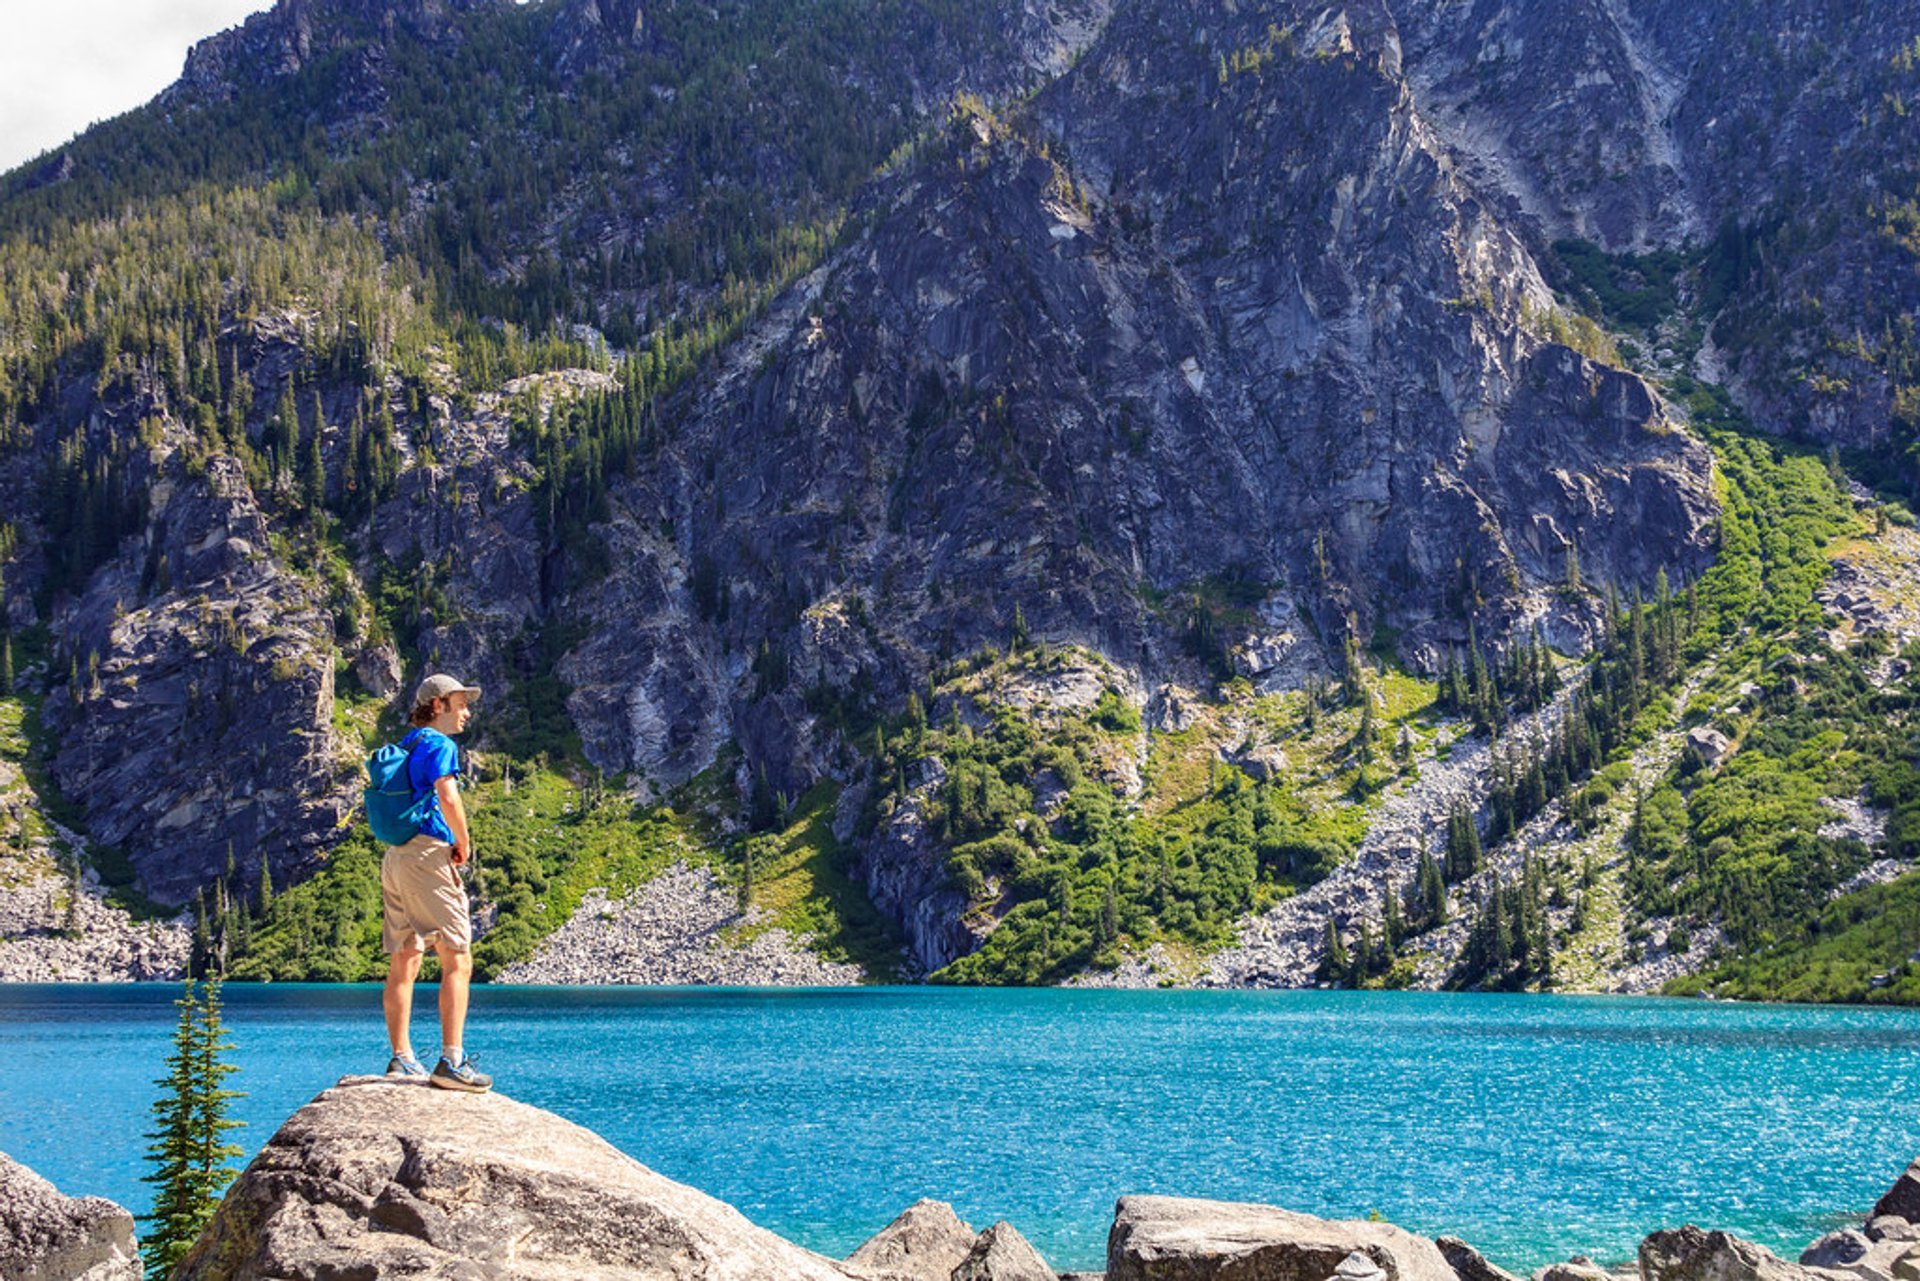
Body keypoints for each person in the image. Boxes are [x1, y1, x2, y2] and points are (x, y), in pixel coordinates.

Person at [381, 673, 493, 1092]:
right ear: (439, 703)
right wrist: (463, 842)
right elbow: (448, 796)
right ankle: (452, 1060)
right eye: (461, 703)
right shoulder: (439, 744)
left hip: (395, 858)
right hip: (428, 855)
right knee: (457, 956)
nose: (467, 712)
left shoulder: (406, 744)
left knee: (405, 957)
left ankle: (402, 1058)